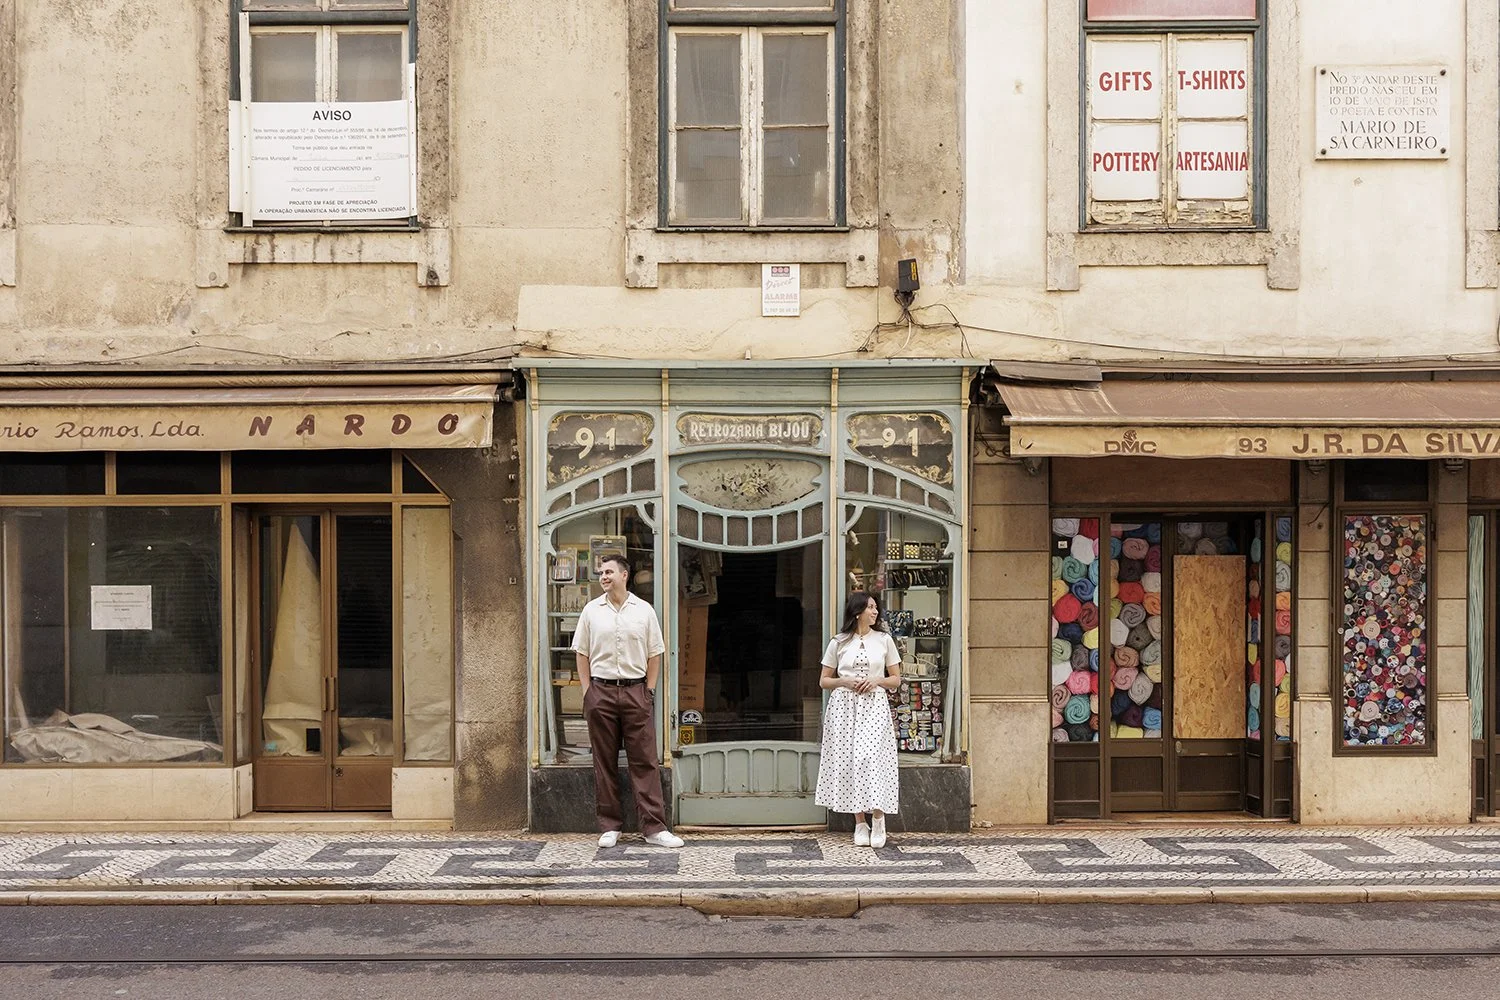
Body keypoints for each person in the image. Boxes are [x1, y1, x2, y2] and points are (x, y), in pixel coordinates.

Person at [571, 553, 685, 849]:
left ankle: (654, 828)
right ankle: (610, 826)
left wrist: (648, 690)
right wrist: (588, 691)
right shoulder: (591, 611)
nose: (603, 577)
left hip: (635, 692)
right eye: (600, 573)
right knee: (604, 760)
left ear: (625, 575)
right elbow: (581, 653)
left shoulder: (644, 610)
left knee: (644, 760)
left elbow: (655, 652)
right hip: (601, 691)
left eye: (609, 571)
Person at [815, 591, 901, 848]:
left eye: (876, 608)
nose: (875, 612)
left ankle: (878, 817)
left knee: (872, 759)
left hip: (874, 705)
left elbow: (896, 679)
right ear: (857, 612)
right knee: (850, 760)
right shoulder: (839, 642)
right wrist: (845, 681)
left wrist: (877, 680)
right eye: (870, 608)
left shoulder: (884, 640)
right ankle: (859, 823)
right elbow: (824, 680)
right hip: (844, 707)